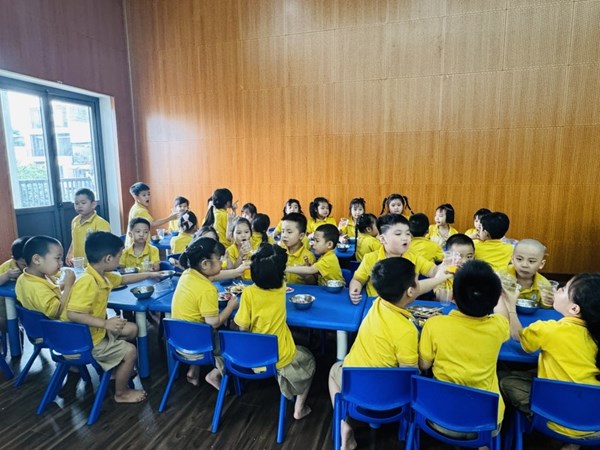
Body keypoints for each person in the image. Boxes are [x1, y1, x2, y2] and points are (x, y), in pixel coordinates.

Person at [329, 257, 421, 450]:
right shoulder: (407, 331)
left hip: (355, 387)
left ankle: (343, 424)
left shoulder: (377, 304)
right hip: (390, 400)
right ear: (410, 291)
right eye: (417, 279)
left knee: (334, 370)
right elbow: (408, 373)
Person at [63, 231, 165, 403]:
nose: (120, 260)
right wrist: (105, 323)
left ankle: (116, 369)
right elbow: (73, 314)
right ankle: (121, 393)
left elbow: (123, 279)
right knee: (130, 351)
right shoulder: (88, 282)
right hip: (86, 340)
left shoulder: (99, 274)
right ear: (108, 259)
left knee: (132, 329)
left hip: (93, 332)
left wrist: (149, 274)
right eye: (119, 257)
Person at [500, 273, 600, 443]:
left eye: (563, 289)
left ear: (574, 309)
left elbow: (518, 336)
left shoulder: (550, 330)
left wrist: (510, 306)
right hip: (594, 424)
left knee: (505, 381)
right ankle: (575, 444)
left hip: (553, 420)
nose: (557, 289)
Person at [419, 260, 510, 429]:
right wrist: (499, 295)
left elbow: (424, 365)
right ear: (495, 299)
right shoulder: (498, 326)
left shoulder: (434, 325)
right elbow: (505, 319)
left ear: (452, 296)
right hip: (484, 423)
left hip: (437, 417)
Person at [234, 244, 315, 420]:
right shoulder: (281, 288)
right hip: (281, 357)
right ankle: (299, 408)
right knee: (309, 360)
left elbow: (242, 327)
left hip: (251, 358)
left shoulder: (248, 293)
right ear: (280, 273)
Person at [171, 237, 239, 388]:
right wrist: (230, 306)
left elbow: (213, 276)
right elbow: (213, 323)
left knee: (196, 324)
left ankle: (193, 371)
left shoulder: (188, 274)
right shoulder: (207, 289)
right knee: (236, 339)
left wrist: (236, 271)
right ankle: (215, 373)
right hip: (199, 346)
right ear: (205, 264)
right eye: (219, 259)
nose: (222, 262)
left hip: (178, 342)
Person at [349, 214, 450, 303]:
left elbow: (433, 271)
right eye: (398, 234)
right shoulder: (370, 259)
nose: (405, 238)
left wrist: (444, 265)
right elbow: (358, 279)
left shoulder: (414, 258)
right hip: (376, 305)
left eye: (408, 233)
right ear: (383, 239)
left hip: (405, 306)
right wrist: (354, 290)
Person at [15, 236, 75, 319]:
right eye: (57, 258)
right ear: (37, 259)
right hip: (55, 325)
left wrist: (64, 284)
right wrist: (68, 286)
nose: (61, 263)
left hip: (38, 324)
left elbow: (51, 290)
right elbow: (56, 312)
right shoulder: (36, 288)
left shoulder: (25, 277)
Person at [497, 239, 553, 307]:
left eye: (531, 261)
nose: (524, 265)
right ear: (512, 259)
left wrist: (550, 302)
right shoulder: (501, 275)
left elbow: (545, 309)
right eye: (519, 259)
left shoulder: (544, 285)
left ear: (541, 264)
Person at [66, 188, 111, 266]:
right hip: (79, 262)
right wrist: (70, 253)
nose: (79, 206)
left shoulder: (101, 223)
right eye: (76, 203)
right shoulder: (75, 221)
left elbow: (105, 246)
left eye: (83, 203)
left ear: (93, 204)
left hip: (94, 264)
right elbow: (74, 239)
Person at [126, 182, 177, 246]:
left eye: (148, 194)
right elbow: (152, 223)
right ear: (136, 197)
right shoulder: (139, 210)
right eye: (144, 195)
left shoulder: (137, 207)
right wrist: (170, 218)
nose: (147, 197)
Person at [433, 233, 475, 301]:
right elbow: (441, 298)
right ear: (449, 256)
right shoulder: (442, 274)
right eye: (459, 257)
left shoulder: (476, 274)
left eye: (469, 257)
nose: (464, 261)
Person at [279, 213, 316, 285]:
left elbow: (313, 284)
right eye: (282, 231)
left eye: (289, 232)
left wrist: (306, 276)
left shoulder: (308, 257)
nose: (284, 235)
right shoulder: (279, 252)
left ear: (301, 236)